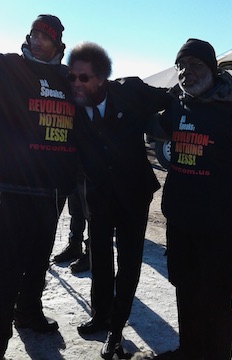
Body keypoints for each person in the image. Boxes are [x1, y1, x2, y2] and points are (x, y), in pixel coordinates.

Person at [148, 39, 232, 360]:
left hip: (220, 234)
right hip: (181, 227)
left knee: (217, 306)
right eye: (181, 66)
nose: (187, 73)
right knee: (186, 293)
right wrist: (134, 94)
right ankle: (189, 351)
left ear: (212, 69)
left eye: (195, 65)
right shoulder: (178, 107)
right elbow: (150, 125)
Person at [68, 42, 172, 359]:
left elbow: (174, 100)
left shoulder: (131, 91)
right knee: (99, 256)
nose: (75, 83)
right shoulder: (71, 103)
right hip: (97, 195)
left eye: (83, 78)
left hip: (133, 194)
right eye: (72, 77)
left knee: (128, 261)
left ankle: (116, 327)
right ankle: (101, 314)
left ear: (101, 78)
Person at [0, 15, 78, 359]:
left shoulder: (67, 78)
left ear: (58, 44)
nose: (37, 40)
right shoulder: (9, 67)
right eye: (33, 33)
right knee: (5, 267)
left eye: (45, 37)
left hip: (50, 190)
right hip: (11, 188)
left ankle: (28, 312)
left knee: (37, 259)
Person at [53, 187, 91, 273]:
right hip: (74, 177)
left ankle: (91, 252)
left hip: (89, 179)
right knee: (75, 211)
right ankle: (75, 246)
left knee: (90, 213)